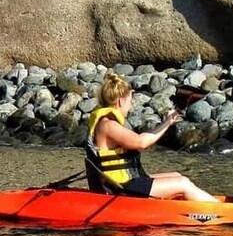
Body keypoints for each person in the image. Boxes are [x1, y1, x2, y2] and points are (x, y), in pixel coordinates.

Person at [86, 72, 218, 202]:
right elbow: (141, 142)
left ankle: (192, 206)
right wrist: (167, 123)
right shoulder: (107, 125)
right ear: (120, 101)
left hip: (127, 183)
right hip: (120, 189)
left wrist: (168, 120)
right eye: (130, 102)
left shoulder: (107, 123)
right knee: (182, 183)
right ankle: (220, 210)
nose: (130, 107)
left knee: (177, 176)